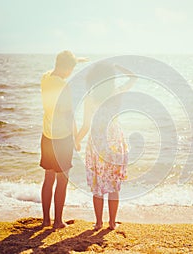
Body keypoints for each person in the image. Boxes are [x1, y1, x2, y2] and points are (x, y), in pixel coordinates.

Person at [75, 62, 136, 230]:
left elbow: (86, 125)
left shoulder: (90, 97)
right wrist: (117, 67)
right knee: (114, 184)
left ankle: (98, 223)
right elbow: (133, 77)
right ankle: (111, 223)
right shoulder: (116, 92)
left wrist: (77, 140)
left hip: (97, 143)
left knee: (97, 185)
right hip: (115, 142)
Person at [40, 50, 88, 228]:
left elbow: (54, 69)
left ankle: (46, 220)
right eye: (71, 69)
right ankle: (58, 221)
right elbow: (70, 115)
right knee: (62, 180)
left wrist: (77, 60)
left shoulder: (45, 78)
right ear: (67, 68)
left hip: (47, 136)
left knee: (48, 178)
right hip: (62, 138)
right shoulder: (64, 87)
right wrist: (76, 139)